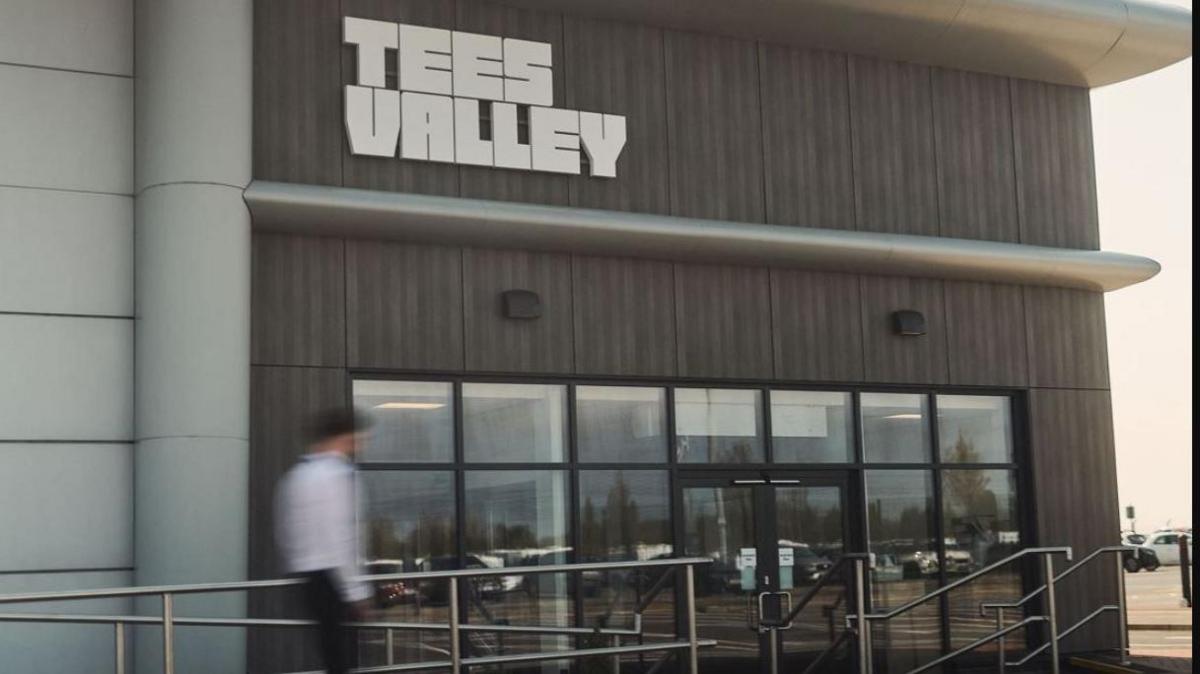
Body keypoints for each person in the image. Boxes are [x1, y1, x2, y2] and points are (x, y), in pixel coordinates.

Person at [275, 408, 374, 674]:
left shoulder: (297, 474)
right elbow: (341, 536)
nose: (362, 444)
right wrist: (357, 592)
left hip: (307, 576)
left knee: (330, 652)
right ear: (347, 437)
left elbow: (286, 531)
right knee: (341, 657)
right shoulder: (337, 474)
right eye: (361, 438)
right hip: (332, 578)